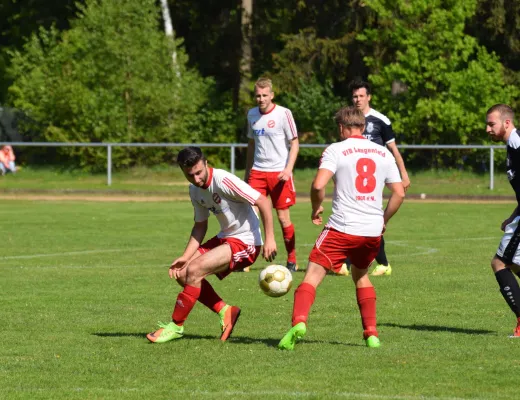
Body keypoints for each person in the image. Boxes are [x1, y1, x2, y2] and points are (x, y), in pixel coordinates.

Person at [277, 106, 405, 350]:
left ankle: (299, 323)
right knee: (362, 275)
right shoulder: (383, 153)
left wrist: (316, 208)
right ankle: (371, 334)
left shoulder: (336, 149)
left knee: (312, 275)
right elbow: (399, 193)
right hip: (371, 232)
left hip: (342, 228)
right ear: (364, 127)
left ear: (341, 128)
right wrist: (383, 220)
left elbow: (318, 185)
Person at [147, 146, 278, 343]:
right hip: (225, 237)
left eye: (199, 172)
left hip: (247, 241)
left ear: (206, 164)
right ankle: (226, 311)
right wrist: (185, 256)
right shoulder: (194, 191)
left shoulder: (223, 180)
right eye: (190, 175)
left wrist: (270, 239)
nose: (196, 179)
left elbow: (263, 201)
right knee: (183, 273)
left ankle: (175, 326)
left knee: (196, 269)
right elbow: (200, 225)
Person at [337, 80, 411, 277]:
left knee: (369, 216)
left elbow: (393, 149)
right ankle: (350, 262)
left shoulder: (380, 120)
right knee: (353, 215)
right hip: (352, 176)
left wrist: (403, 174)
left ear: (368, 97)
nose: (357, 99)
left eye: (361, 96)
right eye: (354, 96)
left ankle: (374, 262)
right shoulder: (348, 119)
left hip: (372, 177)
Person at [244, 77, 300, 272]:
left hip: (279, 173)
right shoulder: (251, 114)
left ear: (272, 95)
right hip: (257, 172)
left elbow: (295, 143)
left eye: (265, 95)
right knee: (250, 214)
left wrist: (288, 169)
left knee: (283, 218)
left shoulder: (284, 114)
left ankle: (292, 259)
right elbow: (251, 145)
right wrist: (247, 173)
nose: (261, 99)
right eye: (258, 95)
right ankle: (247, 258)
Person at [486, 104, 520, 338]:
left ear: (506, 123)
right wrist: (513, 216)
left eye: (491, 124)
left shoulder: (517, 143)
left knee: (499, 263)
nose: (487, 128)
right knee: (514, 265)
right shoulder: (511, 146)